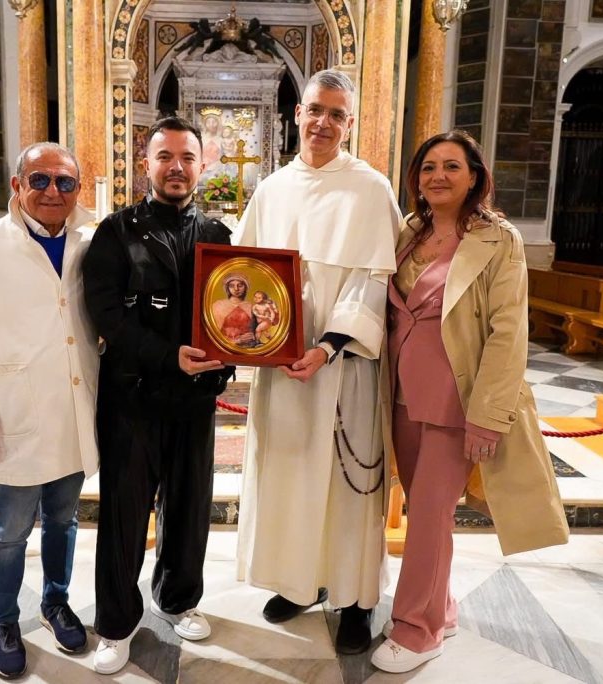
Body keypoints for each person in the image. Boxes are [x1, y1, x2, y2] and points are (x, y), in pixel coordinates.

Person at [371, 130, 569, 674]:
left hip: (457, 398)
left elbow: (509, 333)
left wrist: (489, 415)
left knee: (430, 517)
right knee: (424, 512)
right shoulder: (408, 233)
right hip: (403, 396)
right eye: (428, 166)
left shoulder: (498, 240)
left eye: (451, 166)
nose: (438, 176)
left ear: (475, 176)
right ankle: (443, 605)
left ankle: (418, 628)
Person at [234, 68, 400, 655]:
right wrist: (252, 339)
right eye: (314, 110)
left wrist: (328, 345)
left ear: (350, 124)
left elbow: (373, 281)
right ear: (297, 116)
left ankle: (355, 601)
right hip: (282, 369)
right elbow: (245, 276)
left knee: (348, 488)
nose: (323, 122)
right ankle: (302, 583)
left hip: (345, 367)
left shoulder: (371, 189)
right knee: (290, 476)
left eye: (336, 114)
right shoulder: (272, 189)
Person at [82, 116, 233, 675]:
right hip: (132, 397)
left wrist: (235, 351)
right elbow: (107, 313)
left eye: (186, 157)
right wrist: (167, 355)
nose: (176, 167)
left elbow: (236, 314)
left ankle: (178, 599)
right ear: (146, 164)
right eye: (165, 156)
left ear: (201, 164)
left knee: (190, 508)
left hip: (195, 399)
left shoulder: (218, 236)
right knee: (125, 511)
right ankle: (117, 624)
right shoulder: (116, 232)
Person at [0, 142, 99, 679]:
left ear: (78, 189)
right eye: (40, 180)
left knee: (64, 518)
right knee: (11, 527)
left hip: (75, 406)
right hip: (16, 409)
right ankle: (3, 620)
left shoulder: (91, 238)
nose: (52, 192)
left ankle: (55, 603)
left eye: (64, 182)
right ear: (17, 186)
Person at [210, 273, 256, 346]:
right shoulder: (218, 305)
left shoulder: (252, 307)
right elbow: (212, 334)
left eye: (240, 285)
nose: (236, 289)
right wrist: (237, 341)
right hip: (223, 349)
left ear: (246, 287)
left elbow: (257, 332)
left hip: (248, 350)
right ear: (227, 288)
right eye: (232, 286)